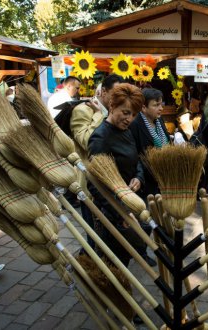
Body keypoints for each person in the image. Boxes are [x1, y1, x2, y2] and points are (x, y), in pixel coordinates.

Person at [88, 83, 155, 267]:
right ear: (112, 106)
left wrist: (138, 178)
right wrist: (120, 215)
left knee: (125, 258)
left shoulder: (126, 132)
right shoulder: (100, 137)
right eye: (125, 112)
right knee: (114, 265)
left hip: (130, 202)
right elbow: (94, 184)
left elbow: (137, 161)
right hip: (111, 211)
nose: (129, 119)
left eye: (133, 115)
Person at [70, 74, 123, 250]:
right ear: (104, 91)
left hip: (112, 182)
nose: (118, 99)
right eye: (115, 94)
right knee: (94, 236)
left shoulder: (116, 111)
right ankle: (89, 268)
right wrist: (100, 116)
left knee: (111, 234)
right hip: (91, 185)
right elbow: (85, 141)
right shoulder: (82, 110)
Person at [130, 88, 170, 202]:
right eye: (156, 105)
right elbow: (136, 154)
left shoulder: (159, 120)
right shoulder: (135, 124)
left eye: (161, 104)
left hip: (164, 177)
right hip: (147, 181)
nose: (161, 108)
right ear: (143, 107)